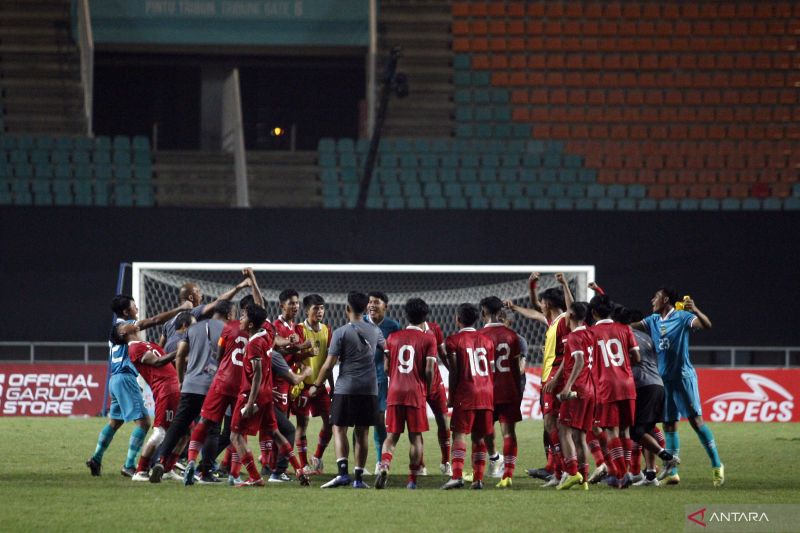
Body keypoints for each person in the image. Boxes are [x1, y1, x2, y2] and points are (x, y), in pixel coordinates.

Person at [85, 295, 191, 477]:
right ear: (126, 311)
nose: (137, 309)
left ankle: (96, 457)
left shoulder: (116, 331)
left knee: (115, 422)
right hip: (125, 377)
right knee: (144, 423)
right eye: (134, 306)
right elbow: (155, 320)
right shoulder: (124, 328)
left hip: (116, 378)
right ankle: (130, 465)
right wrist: (181, 308)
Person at [632, 288, 722, 487]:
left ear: (665, 299)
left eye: (655, 297)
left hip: (683, 378)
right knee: (669, 424)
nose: (651, 300)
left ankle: (717, 465)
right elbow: (630, 326)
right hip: (663, 381)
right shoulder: (653, 320)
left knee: (696, 422)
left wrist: (696, 310)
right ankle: (672, 472)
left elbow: (707, 325)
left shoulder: (682, 317)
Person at [147, 300, 234, 484]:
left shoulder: (193, 328)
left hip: (189, 384)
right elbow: (224, 359)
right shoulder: (228, 331)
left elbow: (179, 355)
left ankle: (161, 461)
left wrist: (180, 380)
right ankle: (205, 473)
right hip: (212, 387)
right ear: (229, 315)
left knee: (178, 425)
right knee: (212, 429)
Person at [309, 291, 385, 489]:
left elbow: (328, 365)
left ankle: (343, 474)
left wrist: (316, 385)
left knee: (339, 428)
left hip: (346, 387)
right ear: (364, 308)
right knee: (363, 433)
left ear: (347, 309)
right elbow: (387, 352)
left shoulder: (341, 332)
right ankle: (358, 479)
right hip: (369, 389)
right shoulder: (375, 331)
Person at [229, 304, 309, 487]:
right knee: (274, 432)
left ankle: (254, 476)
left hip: (252, 395)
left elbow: (256, 374)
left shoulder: (254, 345)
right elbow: (263, 315)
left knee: (235, 435)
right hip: (267, 395)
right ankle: (299, 469)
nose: (240, 319)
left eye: (243, 316)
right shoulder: (267, 334)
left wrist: (250, 403)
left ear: (250, 324)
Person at [505, 272, 572, 485]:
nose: (539, 305)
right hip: (548, 378)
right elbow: (533, 309)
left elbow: (569, 352)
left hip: (557, 378)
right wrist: (530, 286)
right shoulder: (551, 320)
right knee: (550, 426)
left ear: (549, 304)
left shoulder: (564, 321)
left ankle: (567, 471)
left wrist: (563, 285)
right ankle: (557, 471)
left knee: (558, 426)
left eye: (543, 302)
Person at [612, 306, 680, 487]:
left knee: (635, 431)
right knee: (648, 429)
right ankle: (650, 475)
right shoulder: (647, 337)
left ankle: (666, 456)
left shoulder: (624, 336)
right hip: (657, 384)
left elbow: (631, 359)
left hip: (642, 386)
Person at [375, 298, 437, 490]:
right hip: (415, 392)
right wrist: (426, 387)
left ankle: (384, 465)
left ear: (406, 315)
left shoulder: (393, 337)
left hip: (395, 390)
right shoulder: (429, 338)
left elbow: (386, 367)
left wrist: (395, 377)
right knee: (415, 437)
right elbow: (429, 370)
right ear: (425, 317)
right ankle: (412, 479)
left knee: (392, 435)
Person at [441, 304, 495, 490]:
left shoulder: (453, 341)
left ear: (457, 319)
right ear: (478, 318)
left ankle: (456, 476)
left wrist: (451, 395)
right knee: (479, 437)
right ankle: (478, 479)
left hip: (467, 392)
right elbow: (492, 370)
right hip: (487, 392)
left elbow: (454, 371)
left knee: (459, 434)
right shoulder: (487, 341)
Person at [590, 294, 640, 489]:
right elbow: (636, 356)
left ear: (593, 313)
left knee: (611, 431)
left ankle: (620, 474)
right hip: (627, 384)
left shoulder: (592, 333)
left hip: (606, 386)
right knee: (626, 430)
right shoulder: (625, 329)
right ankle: (624, 471)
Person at [119, 332, 181, 482]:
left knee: (186, 432)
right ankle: (140, 471)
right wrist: (181, 350)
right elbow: (158, 362)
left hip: (175, 387)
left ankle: (167, 469)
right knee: (160, 432)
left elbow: (167, 362)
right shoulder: (134, 349)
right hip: (164, 389)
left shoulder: (148, 344)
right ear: (123, 332)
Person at [479, 296, 522, 488]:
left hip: (486, 390)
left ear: (483, 313)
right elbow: (516, 367)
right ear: (500, 313)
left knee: (484, 430)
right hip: (508, 389)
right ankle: (508, 474)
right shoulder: (512, 336)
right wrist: (517, 391)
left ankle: (493, 459)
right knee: (509, 432)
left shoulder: (479, 336)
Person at [270, 288, 313, 480]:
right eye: (291, 303)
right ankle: (274, 467)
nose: (295, 306)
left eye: (296, 303)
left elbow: (292, 354)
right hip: (276, 382)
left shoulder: (294, 326)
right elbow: (275, 343)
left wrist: (305, 352)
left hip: (287, 383)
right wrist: (297, 345)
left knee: (280, 426)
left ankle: (275, 466)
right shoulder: (275, 325)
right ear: (282, 305)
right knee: (279, 427)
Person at [555, 302, 595, 491]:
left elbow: (579, 360)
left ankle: (572, 473)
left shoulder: (574, 336)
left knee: (563, 429)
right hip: (591, 389)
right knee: (580, 435)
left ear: (570, 315)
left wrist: (568, 386)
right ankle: (584, 479)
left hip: (577, 390)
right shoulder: (590, 333)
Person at [159, 277, 251, 352]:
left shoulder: (168, 321)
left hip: (168, 356)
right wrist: (239, 287)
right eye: (198, 292)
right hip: (183, 355)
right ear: (191, 297)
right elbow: (219, 302)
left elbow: (160, 348)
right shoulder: (194, 311)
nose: (201, 295)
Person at [296, 294, 334, 474]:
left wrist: (331, 385)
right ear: (306, 310)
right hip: (303, 387)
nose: (319, 312)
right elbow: (293, 358)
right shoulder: (299, 329)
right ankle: (303, 465)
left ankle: (317, 457)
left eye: (321, 308)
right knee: (302, 423)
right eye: (315, 308)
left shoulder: (327, 330)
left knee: (330, 423)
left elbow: (330, 361)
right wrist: (304, 350)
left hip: (320, 387)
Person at [365, 291, 401, 474]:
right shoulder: (359, 323)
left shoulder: (393, 326)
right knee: (360, 423)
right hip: (360, 380)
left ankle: (380, 462)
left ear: (385, 306)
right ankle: (360, 465)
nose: (372, 305)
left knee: (379, 421)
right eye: (370, 302)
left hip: (381, 379)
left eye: (376, 302)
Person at [420, 318, 452, 476]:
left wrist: (452, 372)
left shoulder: (434, 329)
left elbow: (443, 354)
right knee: (416, 426)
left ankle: (446, 461)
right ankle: (419, 464)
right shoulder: (407, 331)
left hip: (435, 384)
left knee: (443, 421)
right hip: (417, 384)